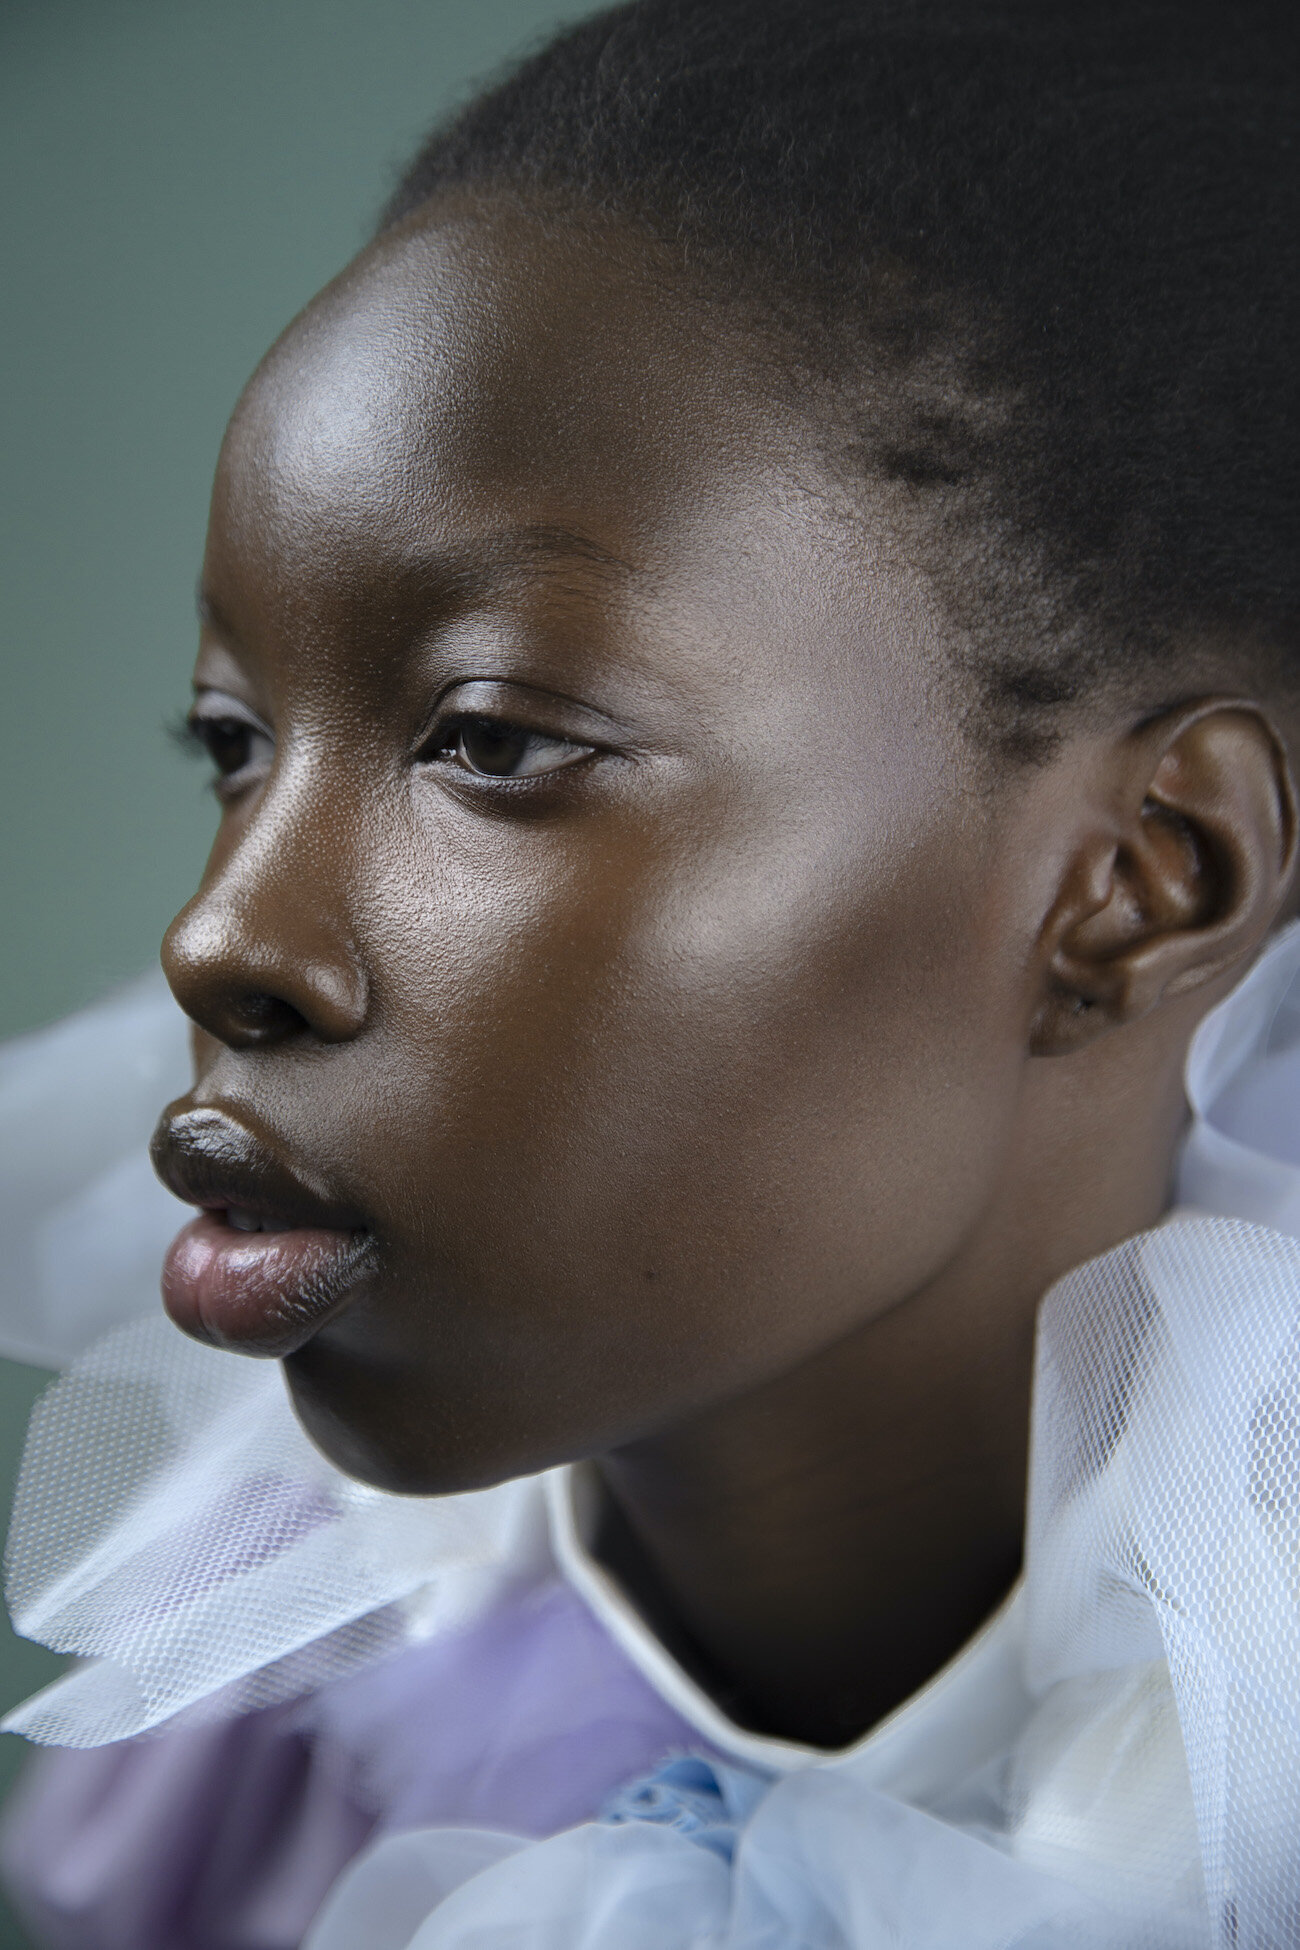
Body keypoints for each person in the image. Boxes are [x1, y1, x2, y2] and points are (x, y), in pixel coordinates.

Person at [1, 0, 1297, 1943]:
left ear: (1130, 881)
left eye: (493, 738)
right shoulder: (287, 1726)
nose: (219, 938)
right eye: (234, 743)